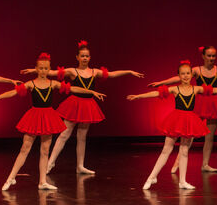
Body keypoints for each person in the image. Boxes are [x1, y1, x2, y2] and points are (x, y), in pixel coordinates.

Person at [0, 52, 106, 191]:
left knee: (44, 150)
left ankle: (42, 181)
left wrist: (91, 92)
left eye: (46, 68)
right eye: (41, 68)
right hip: (34, 116)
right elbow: (14, 92)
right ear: (36, 69)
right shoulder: (31, 84)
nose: (43, 71)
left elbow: (73, 88)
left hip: (48, 117)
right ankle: (10, 178)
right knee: (25, 148)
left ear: (49, 69)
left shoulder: (53, 83)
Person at [21, 40, 144, 174]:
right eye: (82, 56)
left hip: (88, 105)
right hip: (74, 104)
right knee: (64, 134)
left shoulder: (94, 72)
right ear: (77, 57)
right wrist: (34, 70)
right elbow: (52, 72)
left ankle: (80, 166)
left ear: (90, 58)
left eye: (87, 56)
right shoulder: (72, 71)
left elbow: (112, 74)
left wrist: (129, 71)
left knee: (82, 136)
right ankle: (50, 163)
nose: (85, 58)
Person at [128, 61, 217, 190]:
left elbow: (213, 90)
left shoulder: (196, 89)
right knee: (166, 149)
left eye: (188, 73)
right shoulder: (175, 89)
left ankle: (182, 181)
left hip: (189, 120)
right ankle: (152, 177)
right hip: (176, 120)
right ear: (179, 76)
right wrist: (138, 96)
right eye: (183, 74)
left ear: (192, 75)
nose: (185, 76)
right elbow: (156, 93)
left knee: (184, 150)